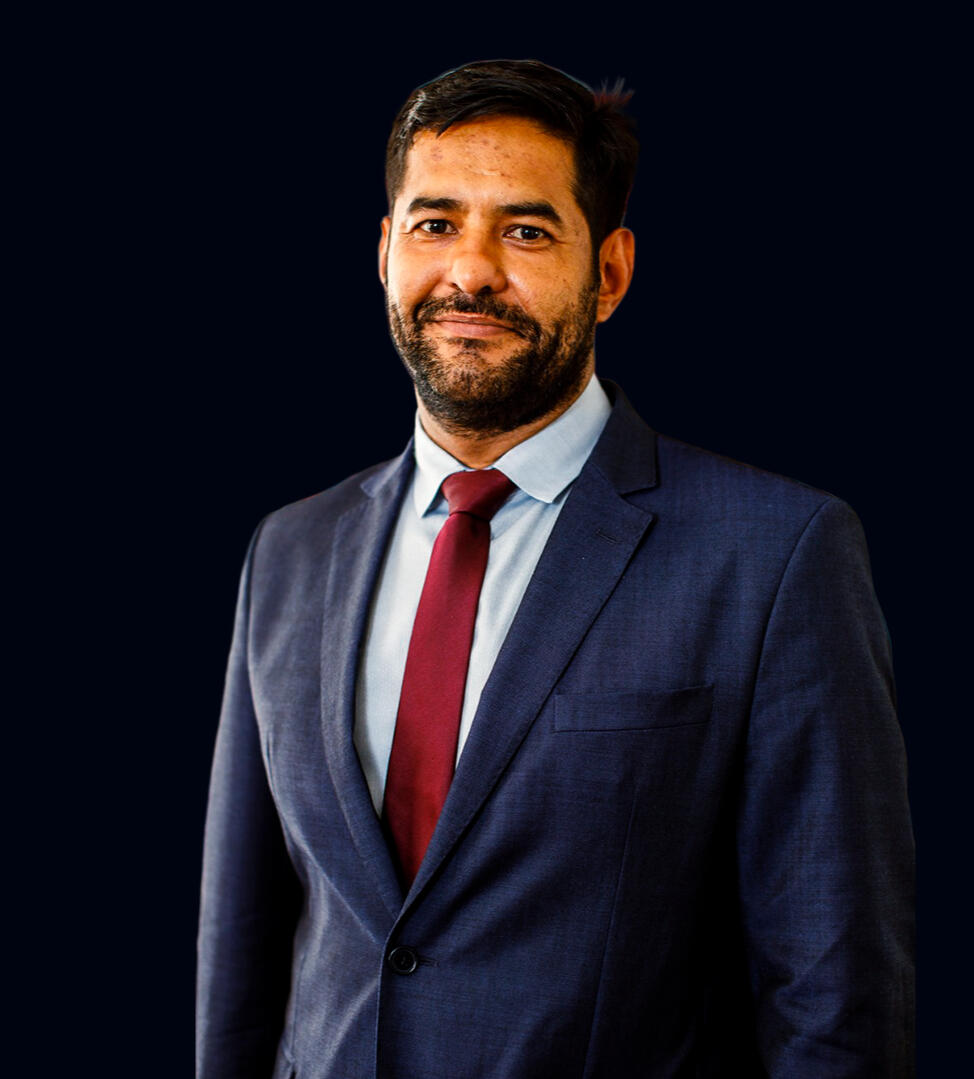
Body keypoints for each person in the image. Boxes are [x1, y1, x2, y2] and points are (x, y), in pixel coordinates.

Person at [197, 59, 915, 1078]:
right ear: (385, 251)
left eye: (526, 231)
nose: (470, 272)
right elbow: (244, 942)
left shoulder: (774, 554)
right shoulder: (290, 549)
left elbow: (834, 991)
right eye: (434, 224)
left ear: (609, 272)